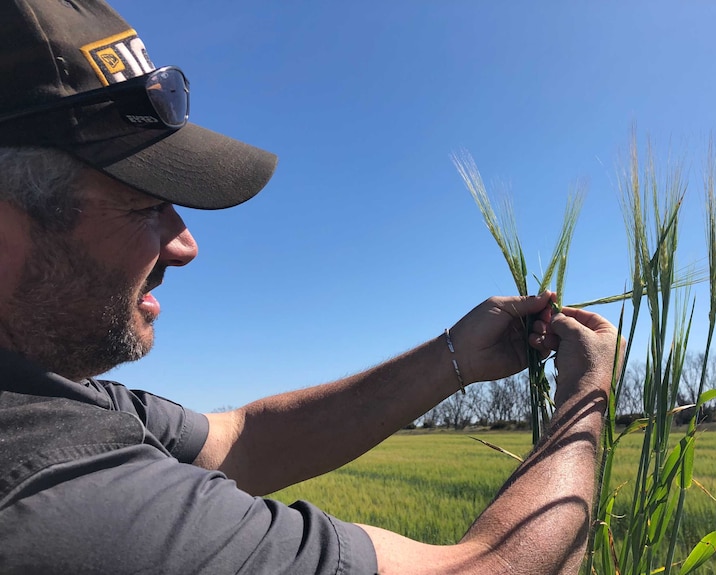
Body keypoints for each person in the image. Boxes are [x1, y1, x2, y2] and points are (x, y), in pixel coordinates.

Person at [0, 1, 621, 573]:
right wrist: (587, 391)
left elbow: (242, 439)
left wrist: (453, 357)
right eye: (143, 207)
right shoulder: (59, 490)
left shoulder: (58, 397)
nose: (185, 245)